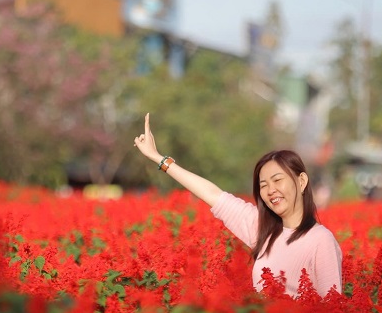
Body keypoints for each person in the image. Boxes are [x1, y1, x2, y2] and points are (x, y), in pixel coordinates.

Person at [133, 114, 342, 298]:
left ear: (302, 181)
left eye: (278, 180)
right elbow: (213, 194)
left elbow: (333, 310)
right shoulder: (263, 228)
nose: (271, 190)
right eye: (263, 185)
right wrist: (158, 158)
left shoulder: (320, 240)